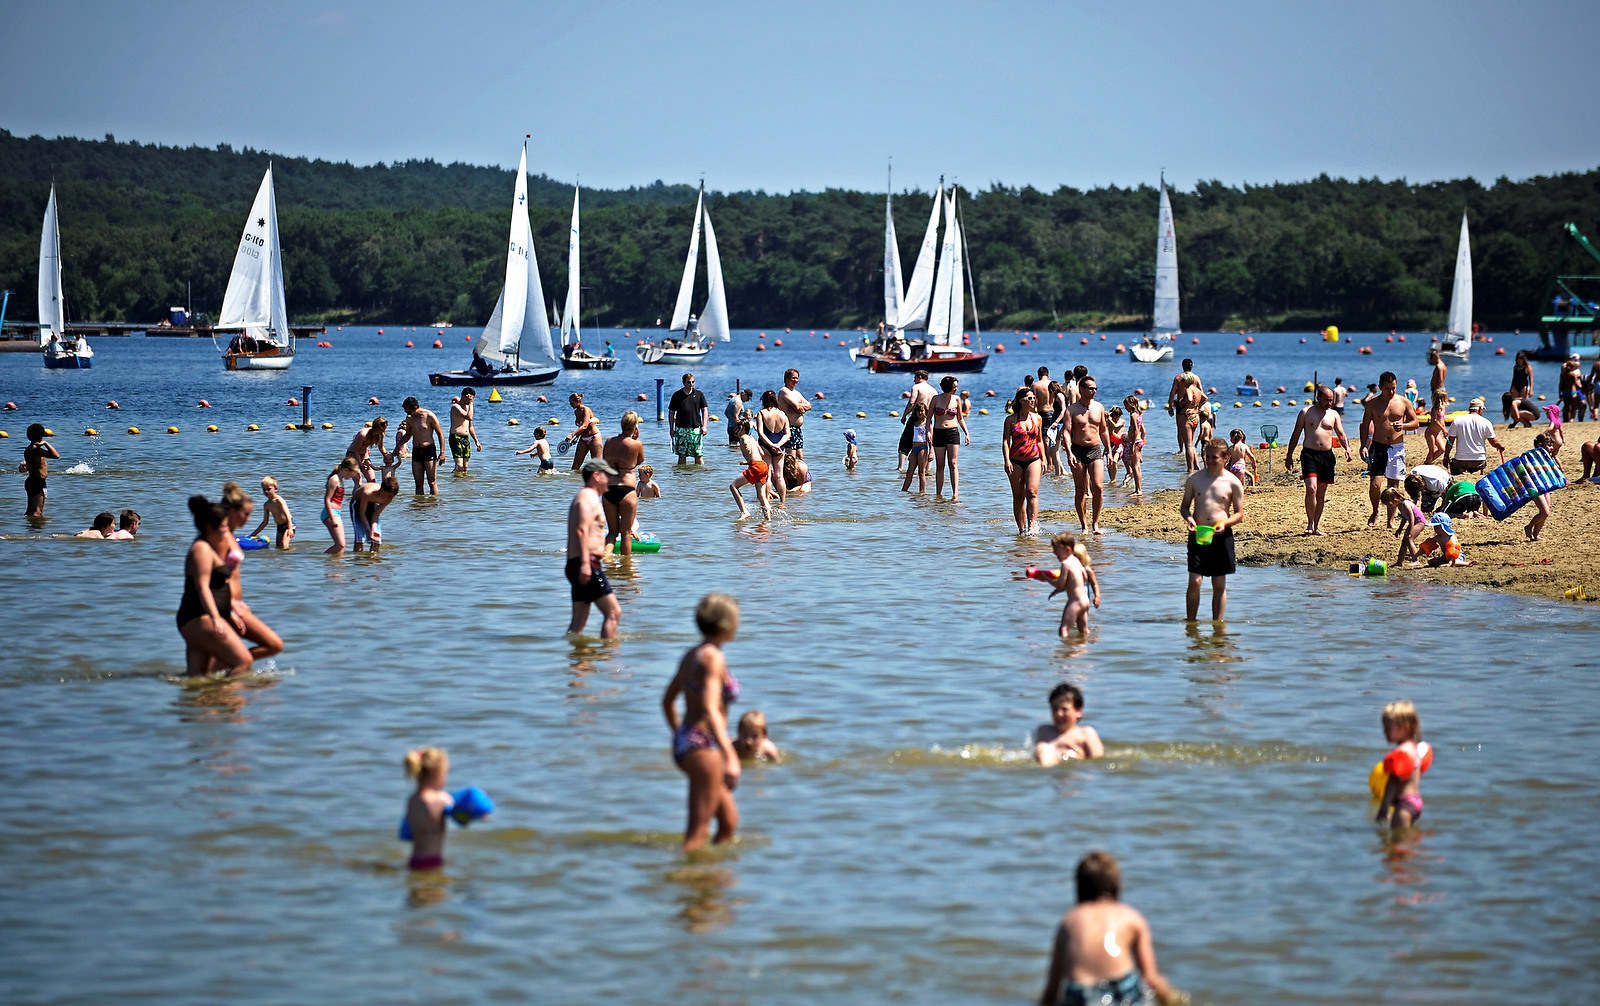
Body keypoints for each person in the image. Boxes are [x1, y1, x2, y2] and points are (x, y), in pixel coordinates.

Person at [1039, 851, 1180, 1006]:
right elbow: (1151, 978)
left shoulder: (1069, 921)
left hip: (1081, 996)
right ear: (1116, 886)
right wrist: (1174, 1000)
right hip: (1122, 990)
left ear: (1079, 887)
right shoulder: (1130, 917)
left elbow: (1053, 986)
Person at [660, 593, 742, 851]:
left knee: (728, 822)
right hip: (703, 746)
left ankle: (711, 880)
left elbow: (667, 701)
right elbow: (709, 707)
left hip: (689, 742)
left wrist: (679, 736)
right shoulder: (713, 658)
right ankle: (685, 882)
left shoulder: (691, 655)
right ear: (727, 625)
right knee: (698, 832)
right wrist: (730, 755)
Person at [176, 495, 254, 677]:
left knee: (198, 676)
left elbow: (216, 587)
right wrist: (216, 618)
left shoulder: (208, 547)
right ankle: (229, 702)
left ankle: (205, 702)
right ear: (210, 527)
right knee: (243, 661)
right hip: (198, 617)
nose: (227, 530)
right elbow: (203, 587)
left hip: (198, 617)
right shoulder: (201, 549)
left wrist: (229, 613)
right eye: (223, 526)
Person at [217, 482, 284, 663]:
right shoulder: (218, 538)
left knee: (273, 645)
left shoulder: (229, 536)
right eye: (245, 514)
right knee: (265, 648)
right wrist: (228, 609)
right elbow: (210, 580)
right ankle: (229, 671)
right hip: (223, 607)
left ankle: (224, 671)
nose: (247, 519)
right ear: (231, 512)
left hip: (235, 605)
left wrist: (239, 603)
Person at [1180, 438, 1245, 620]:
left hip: (1221, 535)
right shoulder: (1195, 479)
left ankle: (1218, 625)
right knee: (1195, 580)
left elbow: (1239, 513)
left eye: (1214, 457)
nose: (1209, 460)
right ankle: (1191, 624)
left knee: (1218, 584)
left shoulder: (1233, 482)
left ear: (1226, 458)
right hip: (1198, 533)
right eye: (1207, 456)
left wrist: (1225, 523)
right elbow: (1185, 506)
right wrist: (1190, 519)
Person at [1283, 385, 1352, 535]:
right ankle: (1309, 524)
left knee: (1321, 494)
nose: (1330, 403)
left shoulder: (1333, 414)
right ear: (1318, 398)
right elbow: (1295, 434)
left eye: (1331, 400)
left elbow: (1341, 433)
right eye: (1327, 400)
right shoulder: (1305, 412)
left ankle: (1316, 526)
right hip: (1309, 455)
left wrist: (1347, 448)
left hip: (1326, 456)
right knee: (1311, 488)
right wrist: (1289, 455)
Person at [566, 458, 620, 637]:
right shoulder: (588, 497)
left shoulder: (587, 496)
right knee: (613, 613)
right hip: (586, 562)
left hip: (581, 562)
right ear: (596, 476)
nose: (610, 481)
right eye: (607, 476)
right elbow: (581, 529)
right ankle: (608, 659)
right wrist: (585, 564)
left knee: (578, 623)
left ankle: (578, 663)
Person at [1359, 371, 1419, 528]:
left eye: (1393, 388)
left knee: (1393, 486)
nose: (1391, 392)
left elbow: (1416, 422)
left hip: (1396, 447)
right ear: (1380, 387)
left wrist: (1404, 426)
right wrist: (1363, 445)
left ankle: (1390, 520)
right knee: (1375, 484)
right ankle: (1375, 511)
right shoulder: (1372, 404)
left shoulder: (1403, 402)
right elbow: (1364, 425)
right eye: (1387, 389)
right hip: (1378, 446)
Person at [1065, 375, 1111, 536]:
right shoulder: (1072, 410)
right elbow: (1066, 432)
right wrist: (1069, 452)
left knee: (1098, 487)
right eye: (1090, 388)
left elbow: (1104, 429)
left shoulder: (1099, 407)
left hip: (1095, 449)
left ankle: (1095, 524)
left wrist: (1109, 450)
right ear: (1082, 389)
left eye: (1095, 388)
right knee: (1080, 489)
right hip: (1077, 451)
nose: (1094, 391)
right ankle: (1084, 525)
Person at [1375, 701, 1429, 830]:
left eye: (1388, 728)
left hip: (1404, 805)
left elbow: (1393, 782)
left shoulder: (1401, 753)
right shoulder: (1414, 748)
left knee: (1395, 847)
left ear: (1405, 727)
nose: (1384, 732)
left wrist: (1384, 807)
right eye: (1384, 727)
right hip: (1415, 801)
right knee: (1407, 842)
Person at [601, 410, 645, 555]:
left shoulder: (609, 441)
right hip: (627, 489)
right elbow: (639, 461)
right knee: (626, 533)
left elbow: (605, 461)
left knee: (612, 533)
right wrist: (635, 439)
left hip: (609, 489)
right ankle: (627, 569)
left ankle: (607, 559)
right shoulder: (637, 444)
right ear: (635, 427)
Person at [402, 746, 452, 871]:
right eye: (445, 773)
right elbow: (461, 813)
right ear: (437, 774)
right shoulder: (441, 799)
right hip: (432, 863)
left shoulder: (412, 800)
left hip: (414, 861)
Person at [1003, 387, 1045, 535]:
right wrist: (1007, 460)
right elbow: (1006, 442)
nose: (1033, 400)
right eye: (1029, 398)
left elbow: (1039, 441)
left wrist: (1044, 459)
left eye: (1034, 398)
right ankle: (1022, 530)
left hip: (1034, 459)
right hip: (1015, 460)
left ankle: (1032, 527)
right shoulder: (1010, 420)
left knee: (1032, 492)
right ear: (1021, 401)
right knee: (1018, 496)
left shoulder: (1037, 418)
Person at [1032, 683, 1105, 766]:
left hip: (1074, 770)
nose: (1058, 714)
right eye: (1055, 709)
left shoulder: (1085, 733)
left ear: (1078, 711)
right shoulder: (1044, 731)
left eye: (1064, 709)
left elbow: (1098, 761)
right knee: (1042, 747)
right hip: (1048, 765)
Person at [928, 376, 970, 500]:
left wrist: (966, 433)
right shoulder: (936, 399)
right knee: (940, 465)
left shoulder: (956, 399)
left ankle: (955, 493)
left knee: (953, 463)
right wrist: (928, 432)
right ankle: (938, 493)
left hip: (953, 432)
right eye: (954, 386)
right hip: (938, 432)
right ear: (948, 387)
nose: (956, 389)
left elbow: (960, 419)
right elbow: (929, 417)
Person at [1443, 397, 1505, 477]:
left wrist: (1446, 456)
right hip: (1479, 461)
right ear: (1480, 409)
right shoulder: (1486, 422)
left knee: (1455, 466)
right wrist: (1500, 446)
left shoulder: (1457, 420)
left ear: (1470, 409)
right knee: (1480, 466)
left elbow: (1450, 441)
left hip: (1461, 460)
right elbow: (1493, 442)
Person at [394, 396, 445, 494]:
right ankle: (419, 506)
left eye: (408, 412)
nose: (407, 414)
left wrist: (442, 453)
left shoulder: (429, 416)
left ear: (415, 407)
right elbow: (408, 434)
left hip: (429, 450)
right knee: (418, 483)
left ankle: (434, 506)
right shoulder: (409, 418)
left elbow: (440, 434)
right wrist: (397, 447)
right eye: (406, 412)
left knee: (432, 482)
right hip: (416, 451)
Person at [730, 419, 772, 522]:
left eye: (736, 428)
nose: (734, 430)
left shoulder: (743, 437)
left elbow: (748, 448)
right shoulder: (752, 438)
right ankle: (768, 520)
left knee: (733, 486)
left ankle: (745, 512)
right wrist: (747, 462)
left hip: (756, 466)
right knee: (762, 496)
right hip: (763, 465)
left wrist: (746, 448)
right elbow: (761, 453)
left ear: (741, 428)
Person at [756, 390, 792, 507]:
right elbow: (787, 434)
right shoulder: (783, 414)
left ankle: (766, 501)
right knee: (779, 476)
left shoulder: (761, 413)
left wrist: (771, 445)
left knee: (768, 475)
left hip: (766, 446)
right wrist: (777, 445)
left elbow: (761, 433)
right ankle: (782, 502)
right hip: (780, 446)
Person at [350, 474, 399, 553]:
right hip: (357, 505)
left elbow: (376, 514)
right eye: (388, 495)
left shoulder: (390, 496)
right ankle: (358, 562)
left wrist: (373, 530)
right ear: (382, 490)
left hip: (372, 505)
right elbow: (361, 513)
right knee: (360, 539)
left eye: (392, 496)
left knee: (376, 540)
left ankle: (372, 561)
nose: (388, 498)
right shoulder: (368, 493)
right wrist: (368, 530)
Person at [667, 372, 709, 464]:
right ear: (684, 383)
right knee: (682, 456)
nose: (691, 384)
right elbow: (671, 412)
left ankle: (700, 476)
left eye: (693, 382)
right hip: (681, 429)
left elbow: (704, 410)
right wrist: (671, 429)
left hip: (696, 429)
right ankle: (681, 475)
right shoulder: (677, 395)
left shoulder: (699, 394)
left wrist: (704, 426)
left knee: (698, 455)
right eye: (689, 382)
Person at [1525, 431, 1560, 542]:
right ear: (1540, 445)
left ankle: (1535, 535)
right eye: (1548, 445)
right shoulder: (1530, 456)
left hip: (1545, 487)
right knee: (1545, 512)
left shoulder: (1547, 457)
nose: (1551, 447)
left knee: (1545, 514)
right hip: (1535, 487)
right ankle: (1529, 527)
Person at [20, 423, 59, 521]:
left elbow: (32, 464)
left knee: (30, 511)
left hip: (31, 481)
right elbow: (56, 455)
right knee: (37, 512)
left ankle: (29, 531)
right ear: (42, 435)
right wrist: (46, 443)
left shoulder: (29, 449)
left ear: (28, 436)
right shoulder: (36, 449)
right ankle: (37, 533)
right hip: (38, 482)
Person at [321, 457, 360, 554]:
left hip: (336, 513)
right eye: (352, 473)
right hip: (330, 513)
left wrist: (359, 481)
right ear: (346, 470)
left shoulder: (340, 479)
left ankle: (336, 567)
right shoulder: (334, 479)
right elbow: (327, 500)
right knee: (340, 545)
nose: (352, 476)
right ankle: (323, 559)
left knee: (341, 547)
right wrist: (332, 518)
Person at [898, 371, 934, 471]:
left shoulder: (916, 387)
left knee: (905, 441)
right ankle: (927, 469)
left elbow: (912, 402)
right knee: (927, 442)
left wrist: (904, 415)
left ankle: (900, 468)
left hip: (915, 416)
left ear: (919, 377)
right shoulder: (933, 390)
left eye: (915, 378)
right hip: (928, 418)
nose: (914, 380)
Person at [246, 477, 294, 548]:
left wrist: (290, 528)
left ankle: (292, 554)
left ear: (276, 488)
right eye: (264, 489)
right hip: (280, 526)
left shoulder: (279, 501)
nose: (266, 491)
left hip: (289, 524)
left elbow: (288, 515)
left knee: (284, 544)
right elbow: (265, 522)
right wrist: (253, 534)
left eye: (269, 489)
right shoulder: (266, 505)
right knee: (279, 546)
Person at [776, 367, 811, 460]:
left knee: (800, 457)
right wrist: (800, 407)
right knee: (791, 458)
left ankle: (800, 474)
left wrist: (800, 407)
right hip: (788, 428)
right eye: (793, 378)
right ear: (787, 379)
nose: (796, 380)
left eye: (797, 378)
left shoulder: (796, 393)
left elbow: (809, 405)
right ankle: (788, 474)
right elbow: (797, 407)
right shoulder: (784, 391)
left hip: (797, 429)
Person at [345, 416, 391, 484]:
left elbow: (381, 447)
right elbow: (355, 450)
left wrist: (386, 455)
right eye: (382, 429)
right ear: (376, 427)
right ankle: (357, 494)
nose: (383, 431)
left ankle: (370, 494)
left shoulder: (381, 434)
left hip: (364, 455)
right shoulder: (363, 434)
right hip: (352, 455)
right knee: (358, 481)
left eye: (385, 428)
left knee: (372, 480)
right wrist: (360, 464)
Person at [1165, 358, 1197, 457]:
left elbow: (1172, 393)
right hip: (1193, 407)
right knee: (1191, 428)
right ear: (1192, 366)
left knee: (1180, 428)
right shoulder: (1196, 378)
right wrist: (1199, 407)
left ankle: (1181, 450)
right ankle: (1191, 448)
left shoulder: (1178, 378)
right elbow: (1201, 392)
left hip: (1181, 406)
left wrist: (1170, 407)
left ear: (1182, 366)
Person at [563, 392, 601, 472]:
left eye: (571, 403)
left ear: (577, 401)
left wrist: (572, 434)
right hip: (583, 438)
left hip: (594, 437)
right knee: (575, 467)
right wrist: (577, 437)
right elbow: (580, 427)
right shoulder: (576, 411)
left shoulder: (586, 409)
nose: (570, 405)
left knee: (596, 466)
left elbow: (585, 425)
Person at [449, 389, 483, 473]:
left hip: (466, 438)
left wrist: (476, 441)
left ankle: (462, 483)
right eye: (470, 398)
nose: (471, 400)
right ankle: (455, 480)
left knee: (465, 468)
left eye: (473, 399)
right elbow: (469, 417)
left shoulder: (468, 408)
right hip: (456, 437)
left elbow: (470, 426)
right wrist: (471, 404)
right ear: (464, 396)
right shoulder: (456, 407)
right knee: (460, 466)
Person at [901, 401, 930, 493]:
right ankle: (903, 491)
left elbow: (931, 440)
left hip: (923, 448)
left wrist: (931, 452)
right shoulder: (914, 423)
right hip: (914, 449)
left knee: (921, 472)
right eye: (918, 411)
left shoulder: (927, 423)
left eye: (922, 411)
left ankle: (922, 492)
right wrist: (910, 452)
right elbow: (912, 438)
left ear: (925, 411)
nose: (920, 413)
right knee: (909, 472)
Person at [1119, 397, 1146, 494]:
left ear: (1130, 405)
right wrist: (1142, 442)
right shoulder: (1139, 414)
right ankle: (1139, 489)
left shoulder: (1133, 415)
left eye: (1125, 405)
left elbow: (1135, 430)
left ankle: (1138, 490)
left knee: (1135, 467)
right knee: (1137, 467)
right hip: (1139, 441)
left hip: (1134, 442)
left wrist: (1133, 445)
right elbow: (1143, 430)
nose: (1125, 407)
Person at [1421, 392, 1449, 465]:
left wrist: (1444, 431)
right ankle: (1428, 463)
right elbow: (1435, 420)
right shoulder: (1435, 409)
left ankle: (1427, 462)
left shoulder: (1443, 408)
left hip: (1437, 433)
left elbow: (1442, 421)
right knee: (1432, 450)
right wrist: (1443, 429)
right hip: (1430, 432)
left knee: (1442, 449)